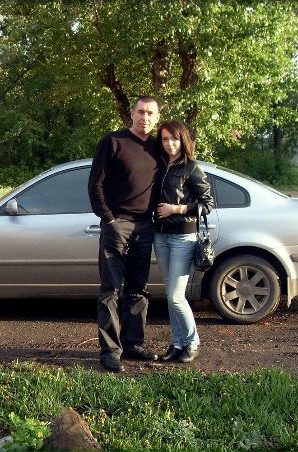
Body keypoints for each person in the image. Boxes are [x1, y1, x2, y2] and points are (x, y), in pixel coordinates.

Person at [87, 96, 162, 372]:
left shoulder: (158, 147)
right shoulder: (113, 142)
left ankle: (133, 344)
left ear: (156, 117)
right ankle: (110, 351)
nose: (145, 117)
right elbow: (95, 185)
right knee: (110, 290)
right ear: (132, 114)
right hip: (117, 224)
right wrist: (109, 219)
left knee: (138, 289)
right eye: (141, 112)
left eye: (150, 113)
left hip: (145, 226)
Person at [153, 119, 214, 363]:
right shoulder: (159, 165)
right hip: (160, 236)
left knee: (176, 296)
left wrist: (176, 209)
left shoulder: (191, 167)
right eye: (165, 139)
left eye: (174, 139)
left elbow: (207, 204)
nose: (170, 144)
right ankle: (178, 343)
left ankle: (193, 341)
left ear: (183, 140)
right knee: (170, 294)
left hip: (183, 237)